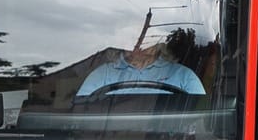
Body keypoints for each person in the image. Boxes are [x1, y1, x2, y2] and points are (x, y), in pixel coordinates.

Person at [76, 27, 207, 98]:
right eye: (134, 36)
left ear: (159, 42)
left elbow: (201, 118)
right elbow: (80, 112)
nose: (139, 42)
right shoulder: (102, 74)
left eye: (147, 37)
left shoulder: (183, 76)